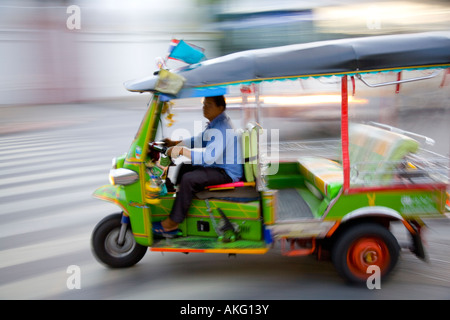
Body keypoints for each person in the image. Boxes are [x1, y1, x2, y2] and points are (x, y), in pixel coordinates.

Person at [153, 95, 243, 236]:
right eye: (204, 104)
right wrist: (176, 143)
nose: (204, 108)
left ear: (221, 107)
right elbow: (199, 140)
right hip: (219, 167)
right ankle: (177, 203)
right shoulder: (217, 123)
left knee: (189, 178)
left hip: (227, 173)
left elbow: (208, 158)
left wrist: (182, 150)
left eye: (209, 105)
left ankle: (172, 223)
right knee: (184, 167)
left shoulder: (222, 128)